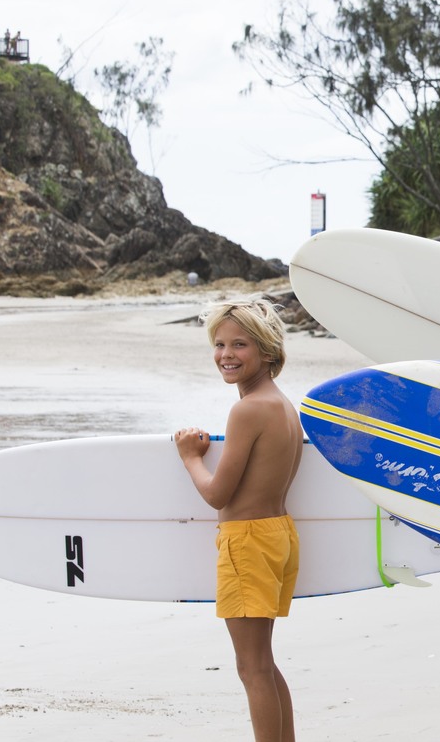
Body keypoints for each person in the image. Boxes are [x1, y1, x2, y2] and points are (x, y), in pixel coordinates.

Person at [175, 299, 303, 742]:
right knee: (262, 663)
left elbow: (217, 494)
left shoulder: (247, 411)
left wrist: (190, 456)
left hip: (247, 542)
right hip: (277, 536)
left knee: (250, 667)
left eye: (240, 345)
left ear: (267, 351)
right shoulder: (283, 405)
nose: (226, 354)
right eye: (219, 344)